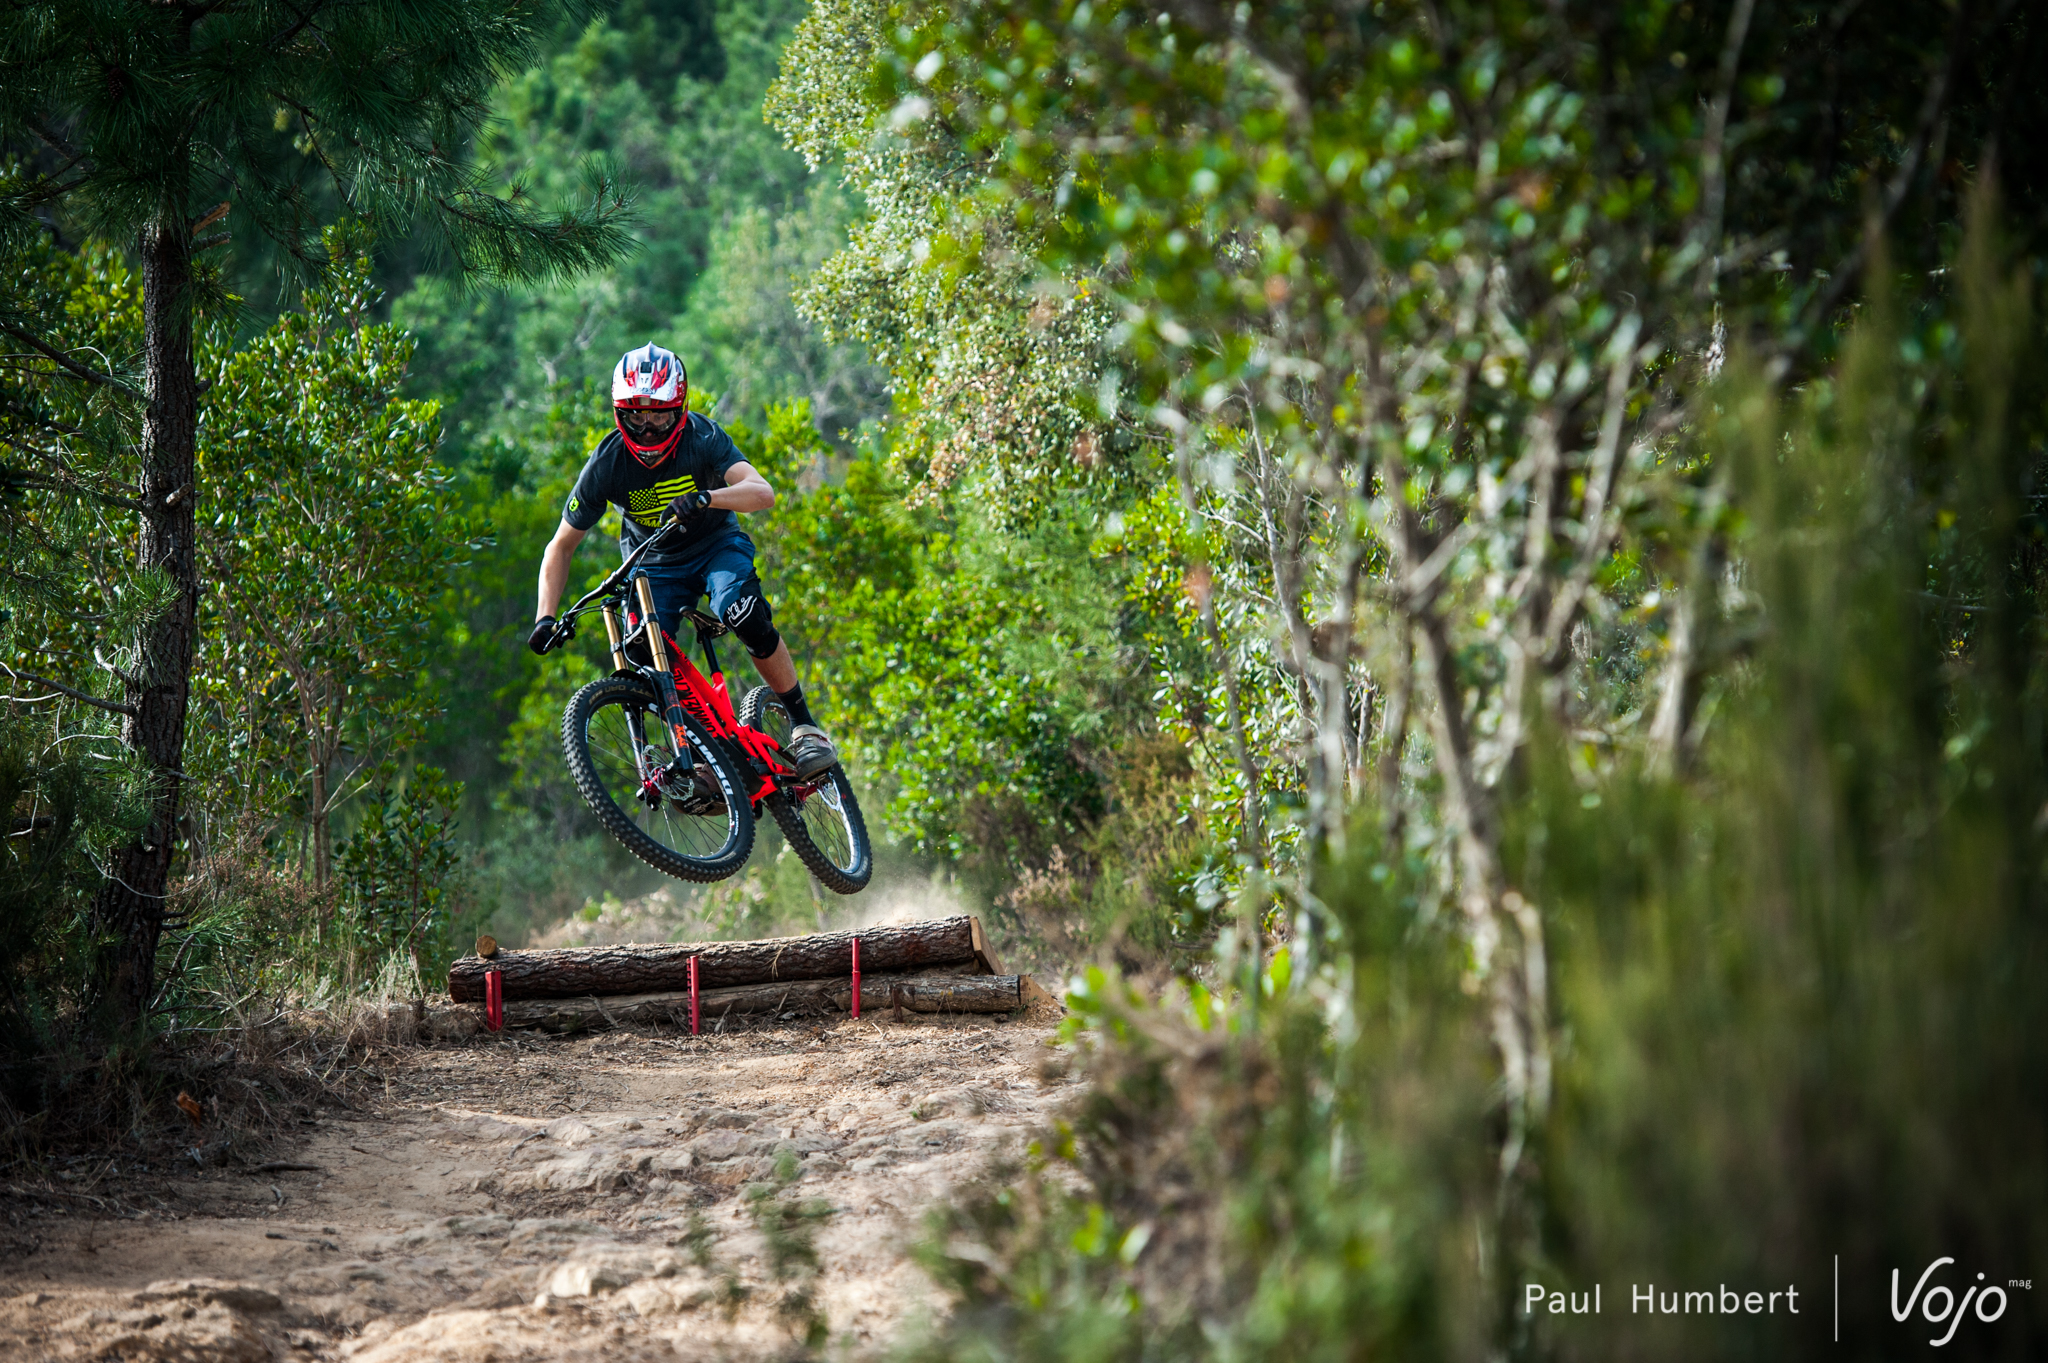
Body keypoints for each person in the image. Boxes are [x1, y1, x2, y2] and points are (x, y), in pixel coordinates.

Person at [529, 342, 838, 779]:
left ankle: (805, 726)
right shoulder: (607, 462)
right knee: (641, 652)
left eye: (660, 414)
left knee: (742, 612)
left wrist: (709, 498)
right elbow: (560, 546)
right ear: (620, 412)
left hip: (716, 546)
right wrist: (546, 616)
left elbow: (762, 492)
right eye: (637, 414)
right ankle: (708, 751)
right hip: (653, 565)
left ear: (681, 408)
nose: (649, 427)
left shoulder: (703, 436)